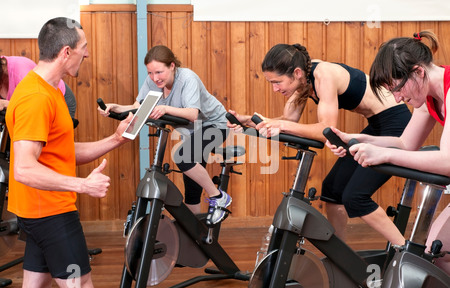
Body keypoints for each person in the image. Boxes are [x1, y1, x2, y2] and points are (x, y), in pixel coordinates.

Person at [228, 43, 411, 245]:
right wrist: (247, 121)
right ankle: (342, 259)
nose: (275, 89)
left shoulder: (323, 74)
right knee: (332, 190)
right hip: (377, 126)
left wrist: (279, 125)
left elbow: (327, 129)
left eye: (277, 82)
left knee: (355, 197)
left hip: (396, 126)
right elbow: (289, 121)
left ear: (296, 73)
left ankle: (404, 250)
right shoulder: (302, 79)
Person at [5, 17, 133, 288]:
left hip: (38, 211)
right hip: (51, 215)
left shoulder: (50, 90)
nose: (86, 54)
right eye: (83, 48)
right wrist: (83, 185)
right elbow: (24, 169)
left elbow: (62, 152)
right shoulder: (36, 98)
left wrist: (115, 139)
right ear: (66, 52)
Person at [328, 30, 450, 274]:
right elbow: (405, 144)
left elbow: (447, 161)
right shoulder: (428, 95)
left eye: (397, 88)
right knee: (437, 256)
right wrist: (356, 139)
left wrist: (383, 155)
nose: (397, 98)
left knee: (439, 254)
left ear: (418, 72)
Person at [99, 45, 231, 225]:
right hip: (191, 132)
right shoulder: (151, 81)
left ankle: (218, 197)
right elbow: (139, 108)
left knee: (183, 157)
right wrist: (116, 108)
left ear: (172, 66)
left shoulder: (187, 78)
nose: (155, 78)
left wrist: (164, 108)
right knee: (191, 188)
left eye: (159, 72)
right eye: (151, 73)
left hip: (215, 124)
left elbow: (192, 114)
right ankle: (195, 236)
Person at [1, 55, 77, 121]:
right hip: (34, 105)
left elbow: (34, 104)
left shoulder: (20, 70)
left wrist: (6, 104)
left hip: (59, 99)